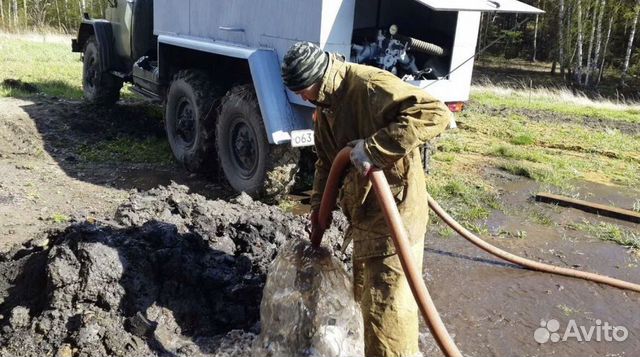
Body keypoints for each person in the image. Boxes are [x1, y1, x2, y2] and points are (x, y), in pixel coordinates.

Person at [281, 41, 450, 357]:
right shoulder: (327, 104)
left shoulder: (367, 85)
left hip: (394, 216)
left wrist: (374, 149)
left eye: (303, 90)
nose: (302, 98)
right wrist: (319, 209)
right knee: (368, 304)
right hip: (366, 217)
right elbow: (326, 162)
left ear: (319, 78)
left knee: (387, 316)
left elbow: (433, 113)